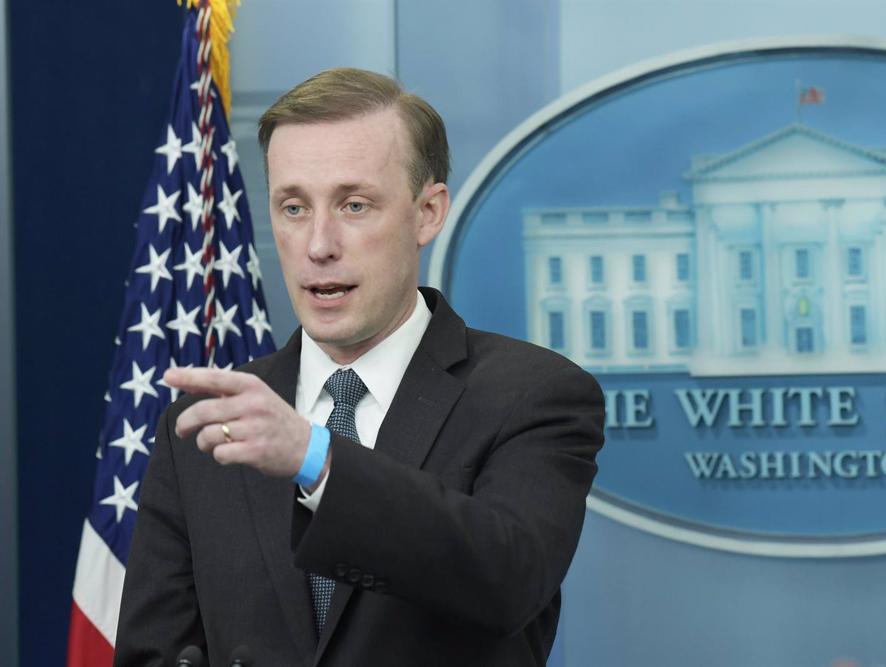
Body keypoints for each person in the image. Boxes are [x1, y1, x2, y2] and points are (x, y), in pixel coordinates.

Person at [114, 68, 605, 666]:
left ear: (427, 212)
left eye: (354, 205)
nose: (319, 243)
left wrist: (316, 460)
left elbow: (509, 579)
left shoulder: (534, 395)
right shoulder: (203, 425)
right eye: (293, 207)